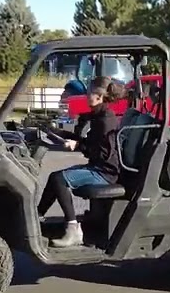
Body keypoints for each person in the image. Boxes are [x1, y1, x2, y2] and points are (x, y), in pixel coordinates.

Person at [38, 76, 125, 247]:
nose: (87, 96)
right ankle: (37, 216)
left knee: (59, 179)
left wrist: (78, 145)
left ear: (99, 96)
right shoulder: (97, 115)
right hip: (98, 167)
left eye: (89, 93)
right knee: (54, 177)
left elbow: (103, 152)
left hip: (104, 172)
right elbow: (88, 140)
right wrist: (58, 133)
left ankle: (73, 231)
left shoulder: (106, 119)